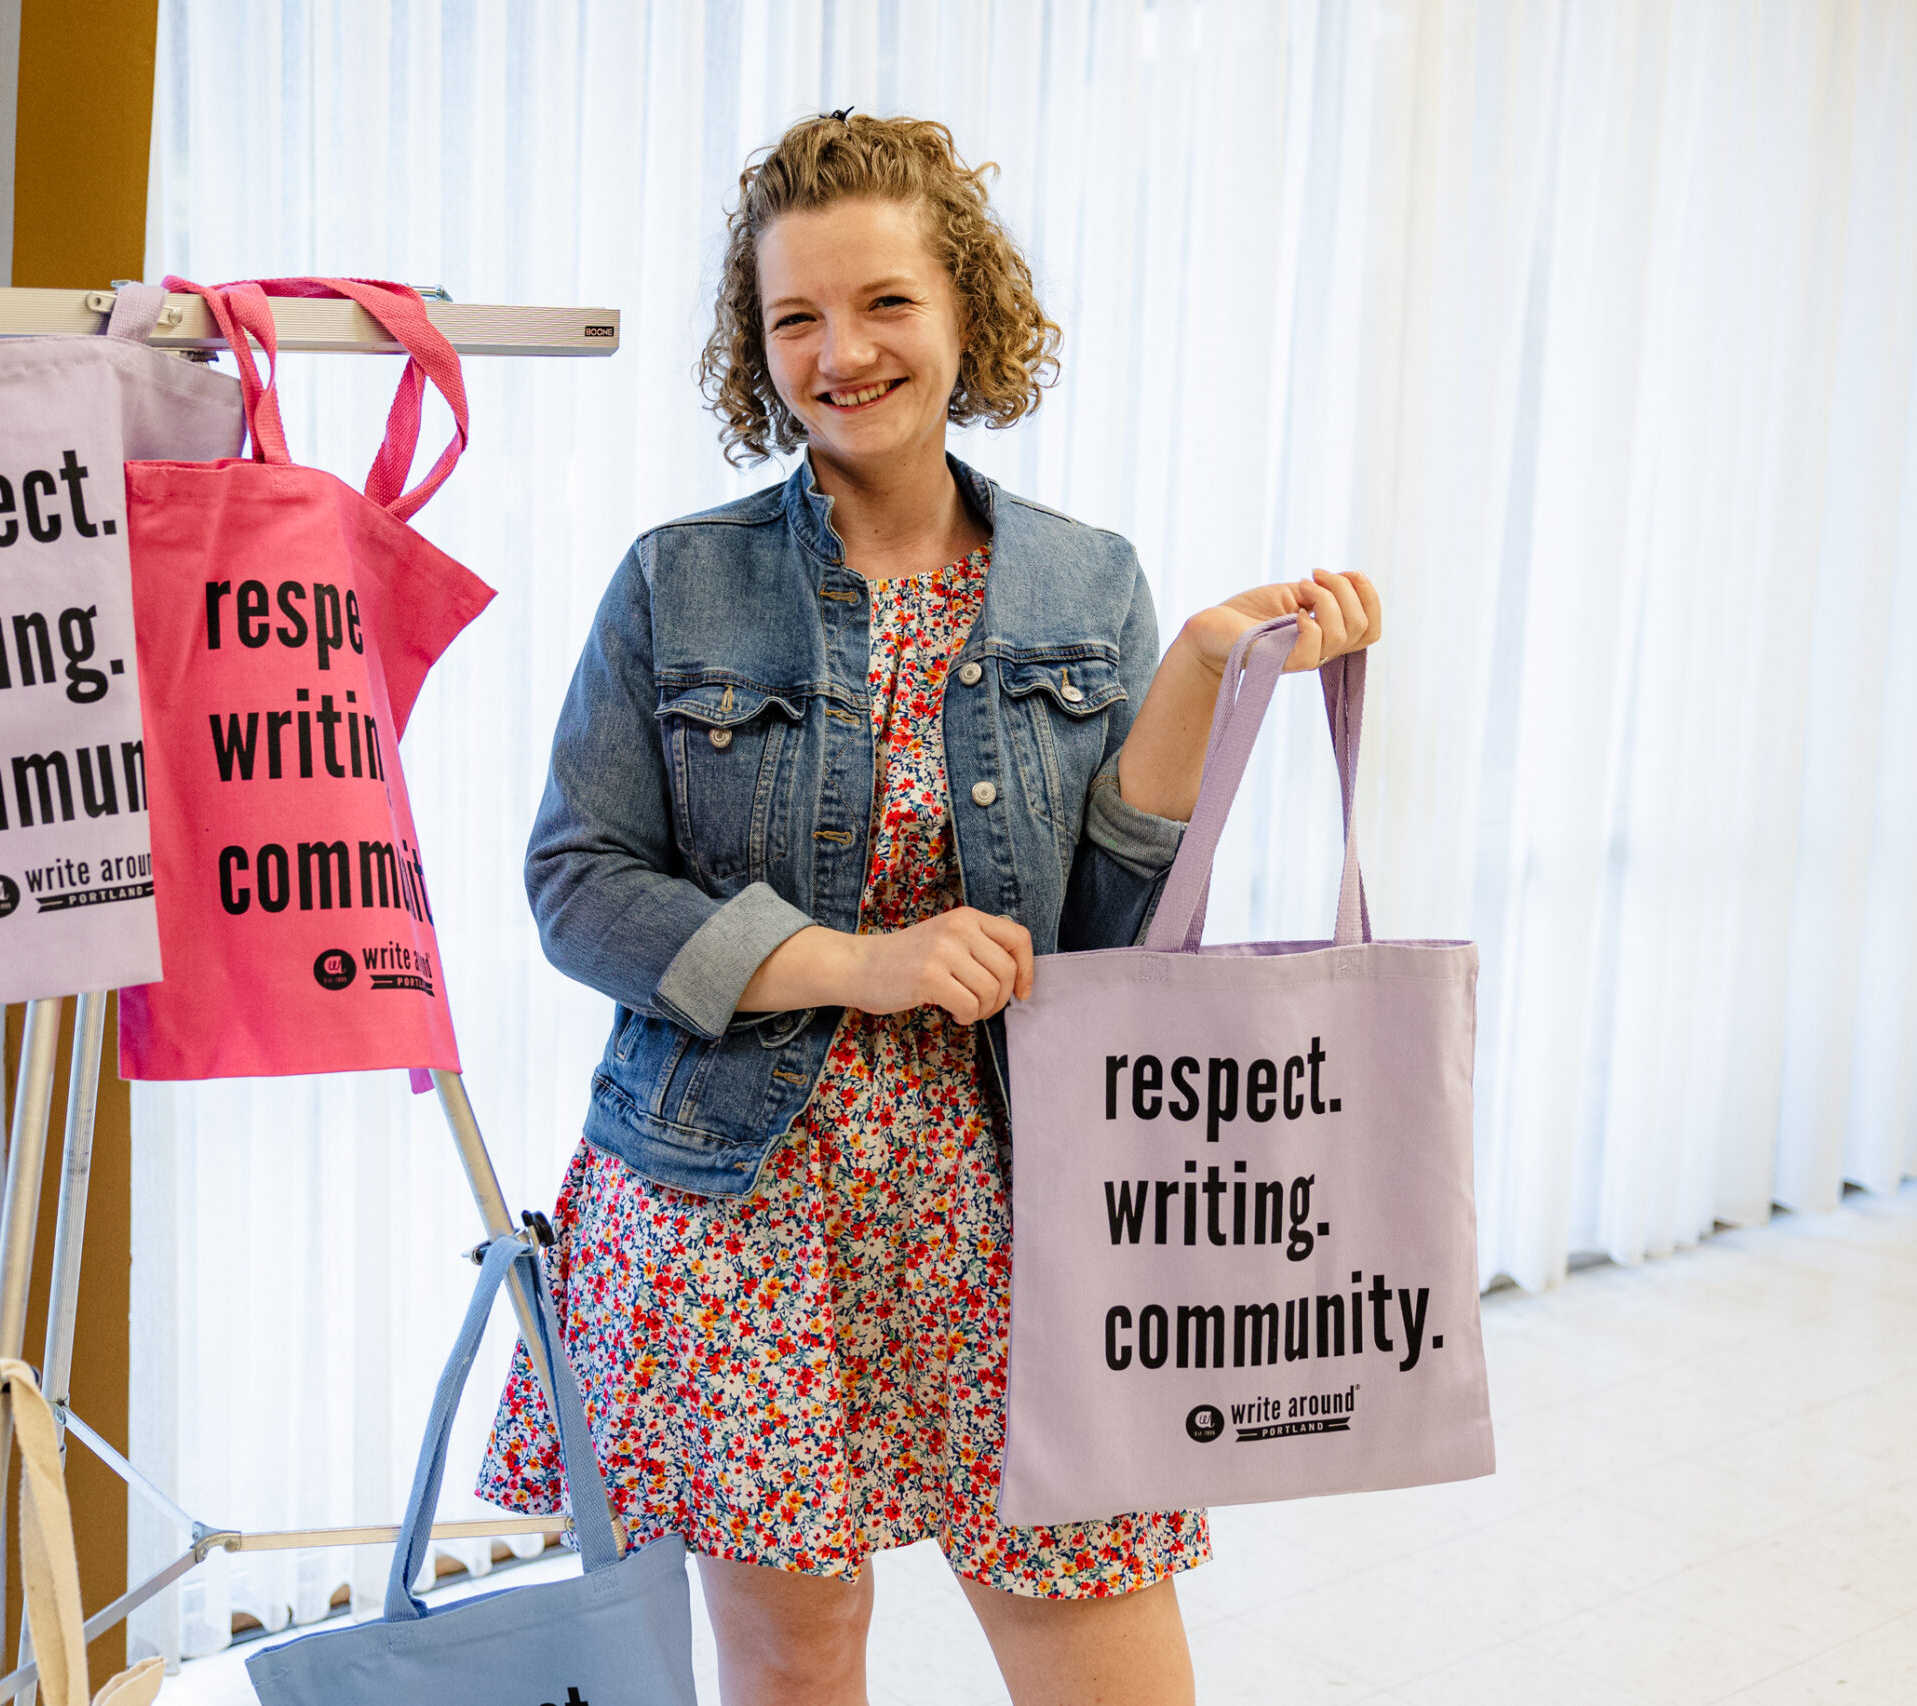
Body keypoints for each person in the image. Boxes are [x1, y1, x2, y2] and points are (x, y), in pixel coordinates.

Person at [480, 111, 1380, 1706]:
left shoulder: (1084, 584)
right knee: (794, 1661)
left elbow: (1108, 939)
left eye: (885, 302)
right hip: (734, 1207)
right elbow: (576, 879)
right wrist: (855, 961)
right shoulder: (674, 585)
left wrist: (1194, 675)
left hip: (1017, 1204)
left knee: (1107, 1647)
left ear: (965, 309)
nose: (843, 352)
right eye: (795, 319)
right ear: (758, 353)